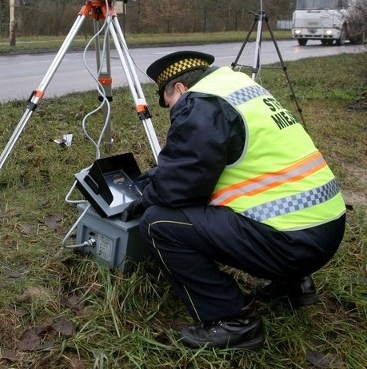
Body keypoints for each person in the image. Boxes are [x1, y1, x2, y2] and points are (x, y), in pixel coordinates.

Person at [134, 50, 346, 350]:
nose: (171, 112)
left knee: (158, 223)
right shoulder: (238, 87)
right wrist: (161, 174)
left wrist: (146, 195)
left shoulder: (200, 102)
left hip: (291, 243)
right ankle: (294, 282)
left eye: (168, 104)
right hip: (327, 226)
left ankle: (234, 321)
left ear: (179, 89)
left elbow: (181, 188)